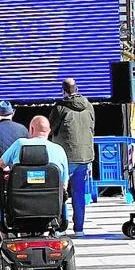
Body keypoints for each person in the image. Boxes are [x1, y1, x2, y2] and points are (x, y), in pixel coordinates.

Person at [0, 116, 69, 230]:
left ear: (31, 129)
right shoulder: (59, 150)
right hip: (51, 211)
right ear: (49, 131)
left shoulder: (20, 144)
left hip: (18, 211)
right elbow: (64, 184)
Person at [49, 78, 95, 237]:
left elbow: (51, 128)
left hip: (65, 157)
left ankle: (61, 227)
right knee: (79, 193)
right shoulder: (88, 105)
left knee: (59, 192)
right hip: (84, 156)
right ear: (77, 88)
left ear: (63, 90)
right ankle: (79, 229)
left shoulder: (60, 107)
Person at [0, 101, 28, 242]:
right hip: (19, 172)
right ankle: (20, 229)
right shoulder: (22, 129)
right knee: (19, 200)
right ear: (13, 113)